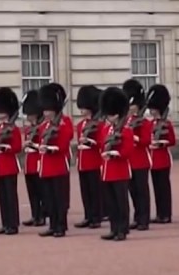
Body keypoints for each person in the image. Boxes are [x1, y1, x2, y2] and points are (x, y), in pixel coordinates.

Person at [36, 83, 73, 238]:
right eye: (44, 110)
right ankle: (52, 224)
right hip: (46, 166)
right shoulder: (44, 126)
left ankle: (61, 226)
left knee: (60, 198)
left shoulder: (65, 122)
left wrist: (52, 148)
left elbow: (65, 141)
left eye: (48, 110)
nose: (46, 113)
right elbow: (39, 140)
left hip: (58, 165)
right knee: (49, 199)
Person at [99, 86, 134, 242]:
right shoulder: (106, 130)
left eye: (111, 114)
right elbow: (101, 145)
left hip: (120, 170)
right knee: (111, 203)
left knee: (121, 203)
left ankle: (122, 229)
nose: (109, 117)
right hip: (107, 170)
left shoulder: (126, 130)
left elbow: (128, 150)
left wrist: (116, 153)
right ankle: (114, 228)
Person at [0, 87, 23, 235]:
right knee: (2, 197)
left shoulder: (14, 129)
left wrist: (6, 148)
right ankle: (5, 223)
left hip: (10, 165)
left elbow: (17, 147)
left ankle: (13, 224)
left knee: (11, 196)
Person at [123, 80, 152, 231]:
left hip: (141, 160)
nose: (130, 108)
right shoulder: (125, 122)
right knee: (133, 191)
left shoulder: (144, 122)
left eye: (132, 105)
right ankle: (137, 217)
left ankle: (144, 219)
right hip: (129, 160)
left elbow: (147, 140)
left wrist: (135, 138)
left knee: (142, 191)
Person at [73, 85, 103, 230]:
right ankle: (88, 215)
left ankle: (96, 217)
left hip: (94, 161)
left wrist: (92, 142)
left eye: (84, 106)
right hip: (83, 162)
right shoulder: (80, 125)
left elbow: (102, 142)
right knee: (85, 191)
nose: (82, 109)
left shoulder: (99, 124)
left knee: (95, 191)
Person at [146, 85, 176, 224]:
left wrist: (161, 143)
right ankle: (159, 213)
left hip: (163, 158)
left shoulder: (166, 124)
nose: (151, 112)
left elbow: (172, 140)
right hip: (152, 160)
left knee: (164, 188)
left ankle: (166, 214)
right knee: (157, 188)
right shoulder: (150, 124)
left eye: (153, 109)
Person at [20, 91, 46, 228]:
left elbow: (43, 144)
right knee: (32, 193)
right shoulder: (29, 129)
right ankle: (34, 214)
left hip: (38, 162)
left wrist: (34, 145)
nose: (29, 117)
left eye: (30, 115)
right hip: (29, 162)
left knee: (40, 191)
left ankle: (41, 215)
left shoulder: (42, 128)